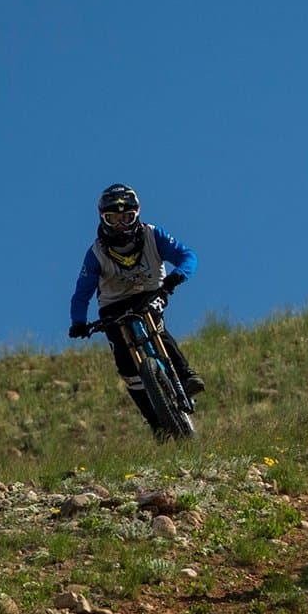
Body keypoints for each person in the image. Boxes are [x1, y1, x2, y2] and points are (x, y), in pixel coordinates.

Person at [68, 184, 206, 435]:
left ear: (137, 214)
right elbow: (81, 294)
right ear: (102, 218)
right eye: (113, 219)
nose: (121, 225)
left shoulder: (153, 234)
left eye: (127, 218)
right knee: (125, 364)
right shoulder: (96, 253)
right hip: (113, 304)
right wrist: (78, 322)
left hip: (150, 293)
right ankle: (156, 425)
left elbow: (188, 256)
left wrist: (177, 276)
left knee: (157, 326)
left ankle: (186, 374)